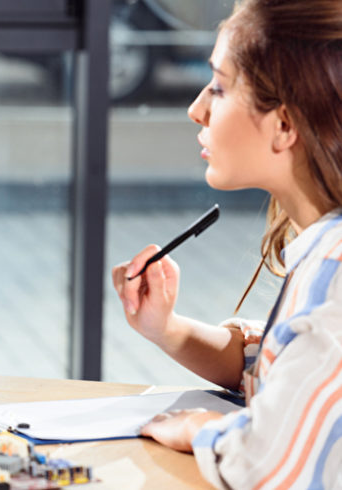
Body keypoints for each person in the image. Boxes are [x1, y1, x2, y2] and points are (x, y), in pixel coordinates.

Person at [112, 0, 342, 486]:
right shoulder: (324, 253)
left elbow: (267, 466)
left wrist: (201, 427)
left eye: (218, 86)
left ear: (284, 125)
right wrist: (167, 329)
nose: (197, 109)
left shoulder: (334, 274)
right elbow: (280, 366)